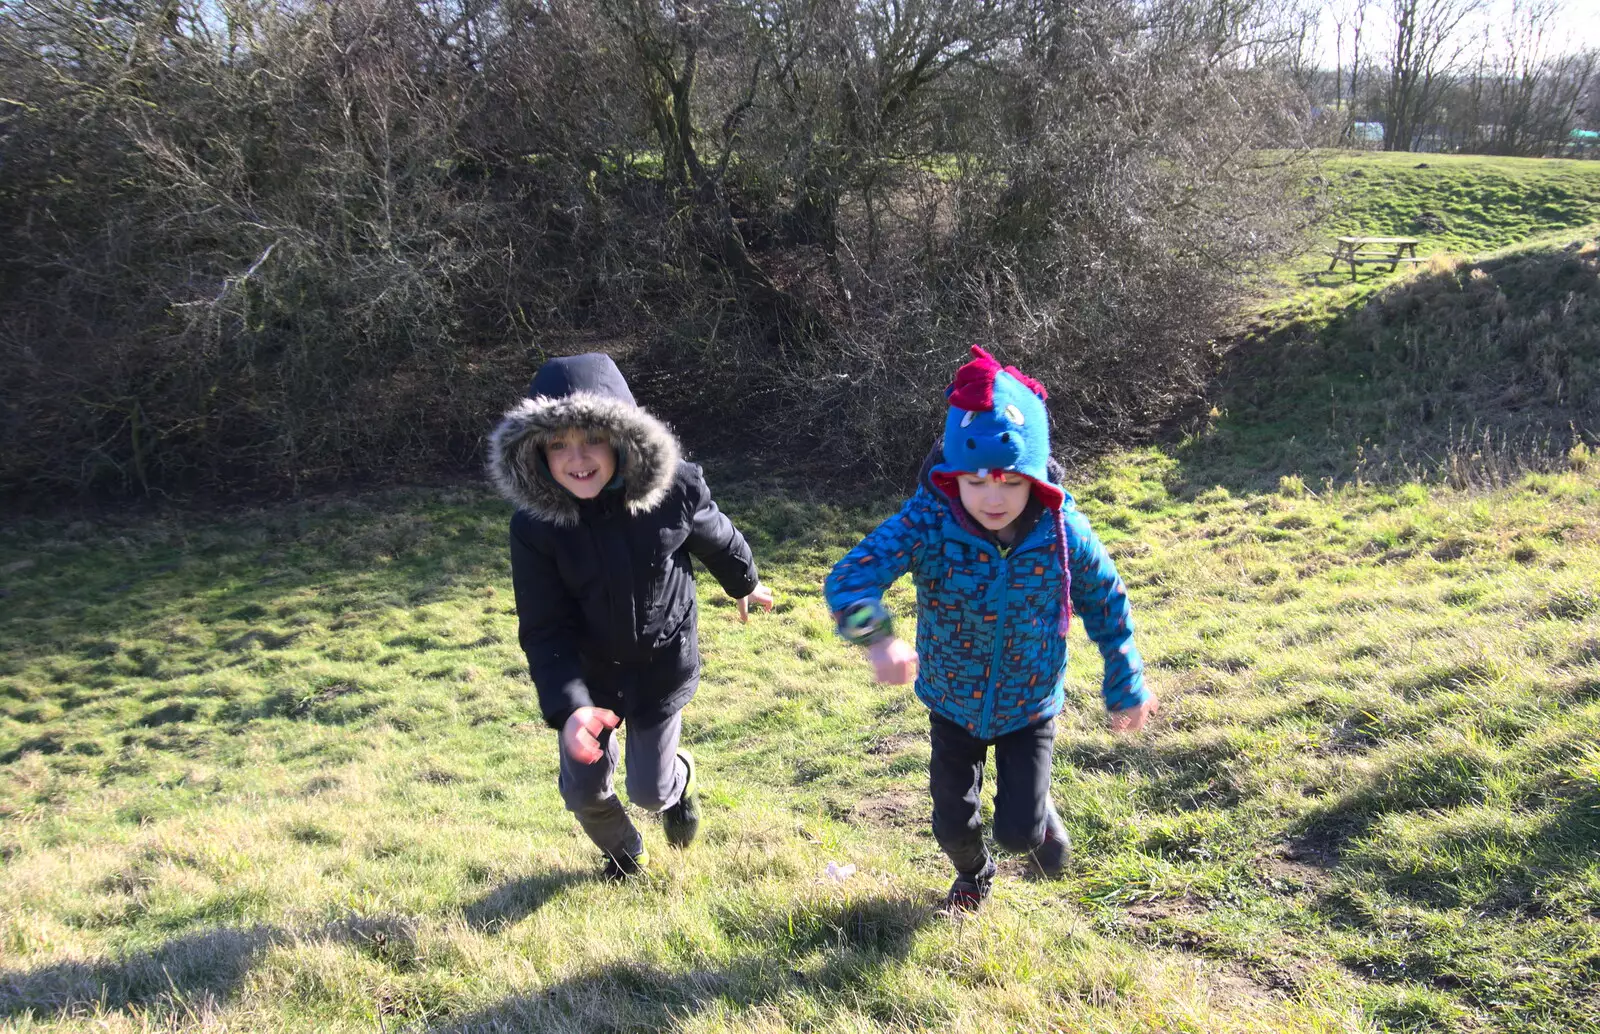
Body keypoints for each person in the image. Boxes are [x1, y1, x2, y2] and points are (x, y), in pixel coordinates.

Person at [824, 345, 1156, 912]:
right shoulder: (926, 521)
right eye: (976, 481)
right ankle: (974, 873)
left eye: (1009, 480)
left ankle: (1036, 818)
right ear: (954, 476)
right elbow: (848, 579)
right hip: (952, 701)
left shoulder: (1063, 533)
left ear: (1035, 477)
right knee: (953, 826)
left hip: (1030, 704)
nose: (992, 497)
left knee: (1019, 832)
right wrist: (878, 638)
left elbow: (1107, 601)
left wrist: (1126, 679)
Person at [487, 353, 773, 879]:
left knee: (650, 790)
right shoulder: (534, 528)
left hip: (659, 667)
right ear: (535, 454)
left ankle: (679, 782)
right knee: (582, 788)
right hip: (589, 677)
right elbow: (543, 628)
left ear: (622, 438)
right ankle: (625, 856)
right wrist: (571, 708)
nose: (577, 458)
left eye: (591, 439)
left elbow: (717, 537)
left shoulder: (675, 491)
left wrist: (745, 583)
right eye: (557, 444)